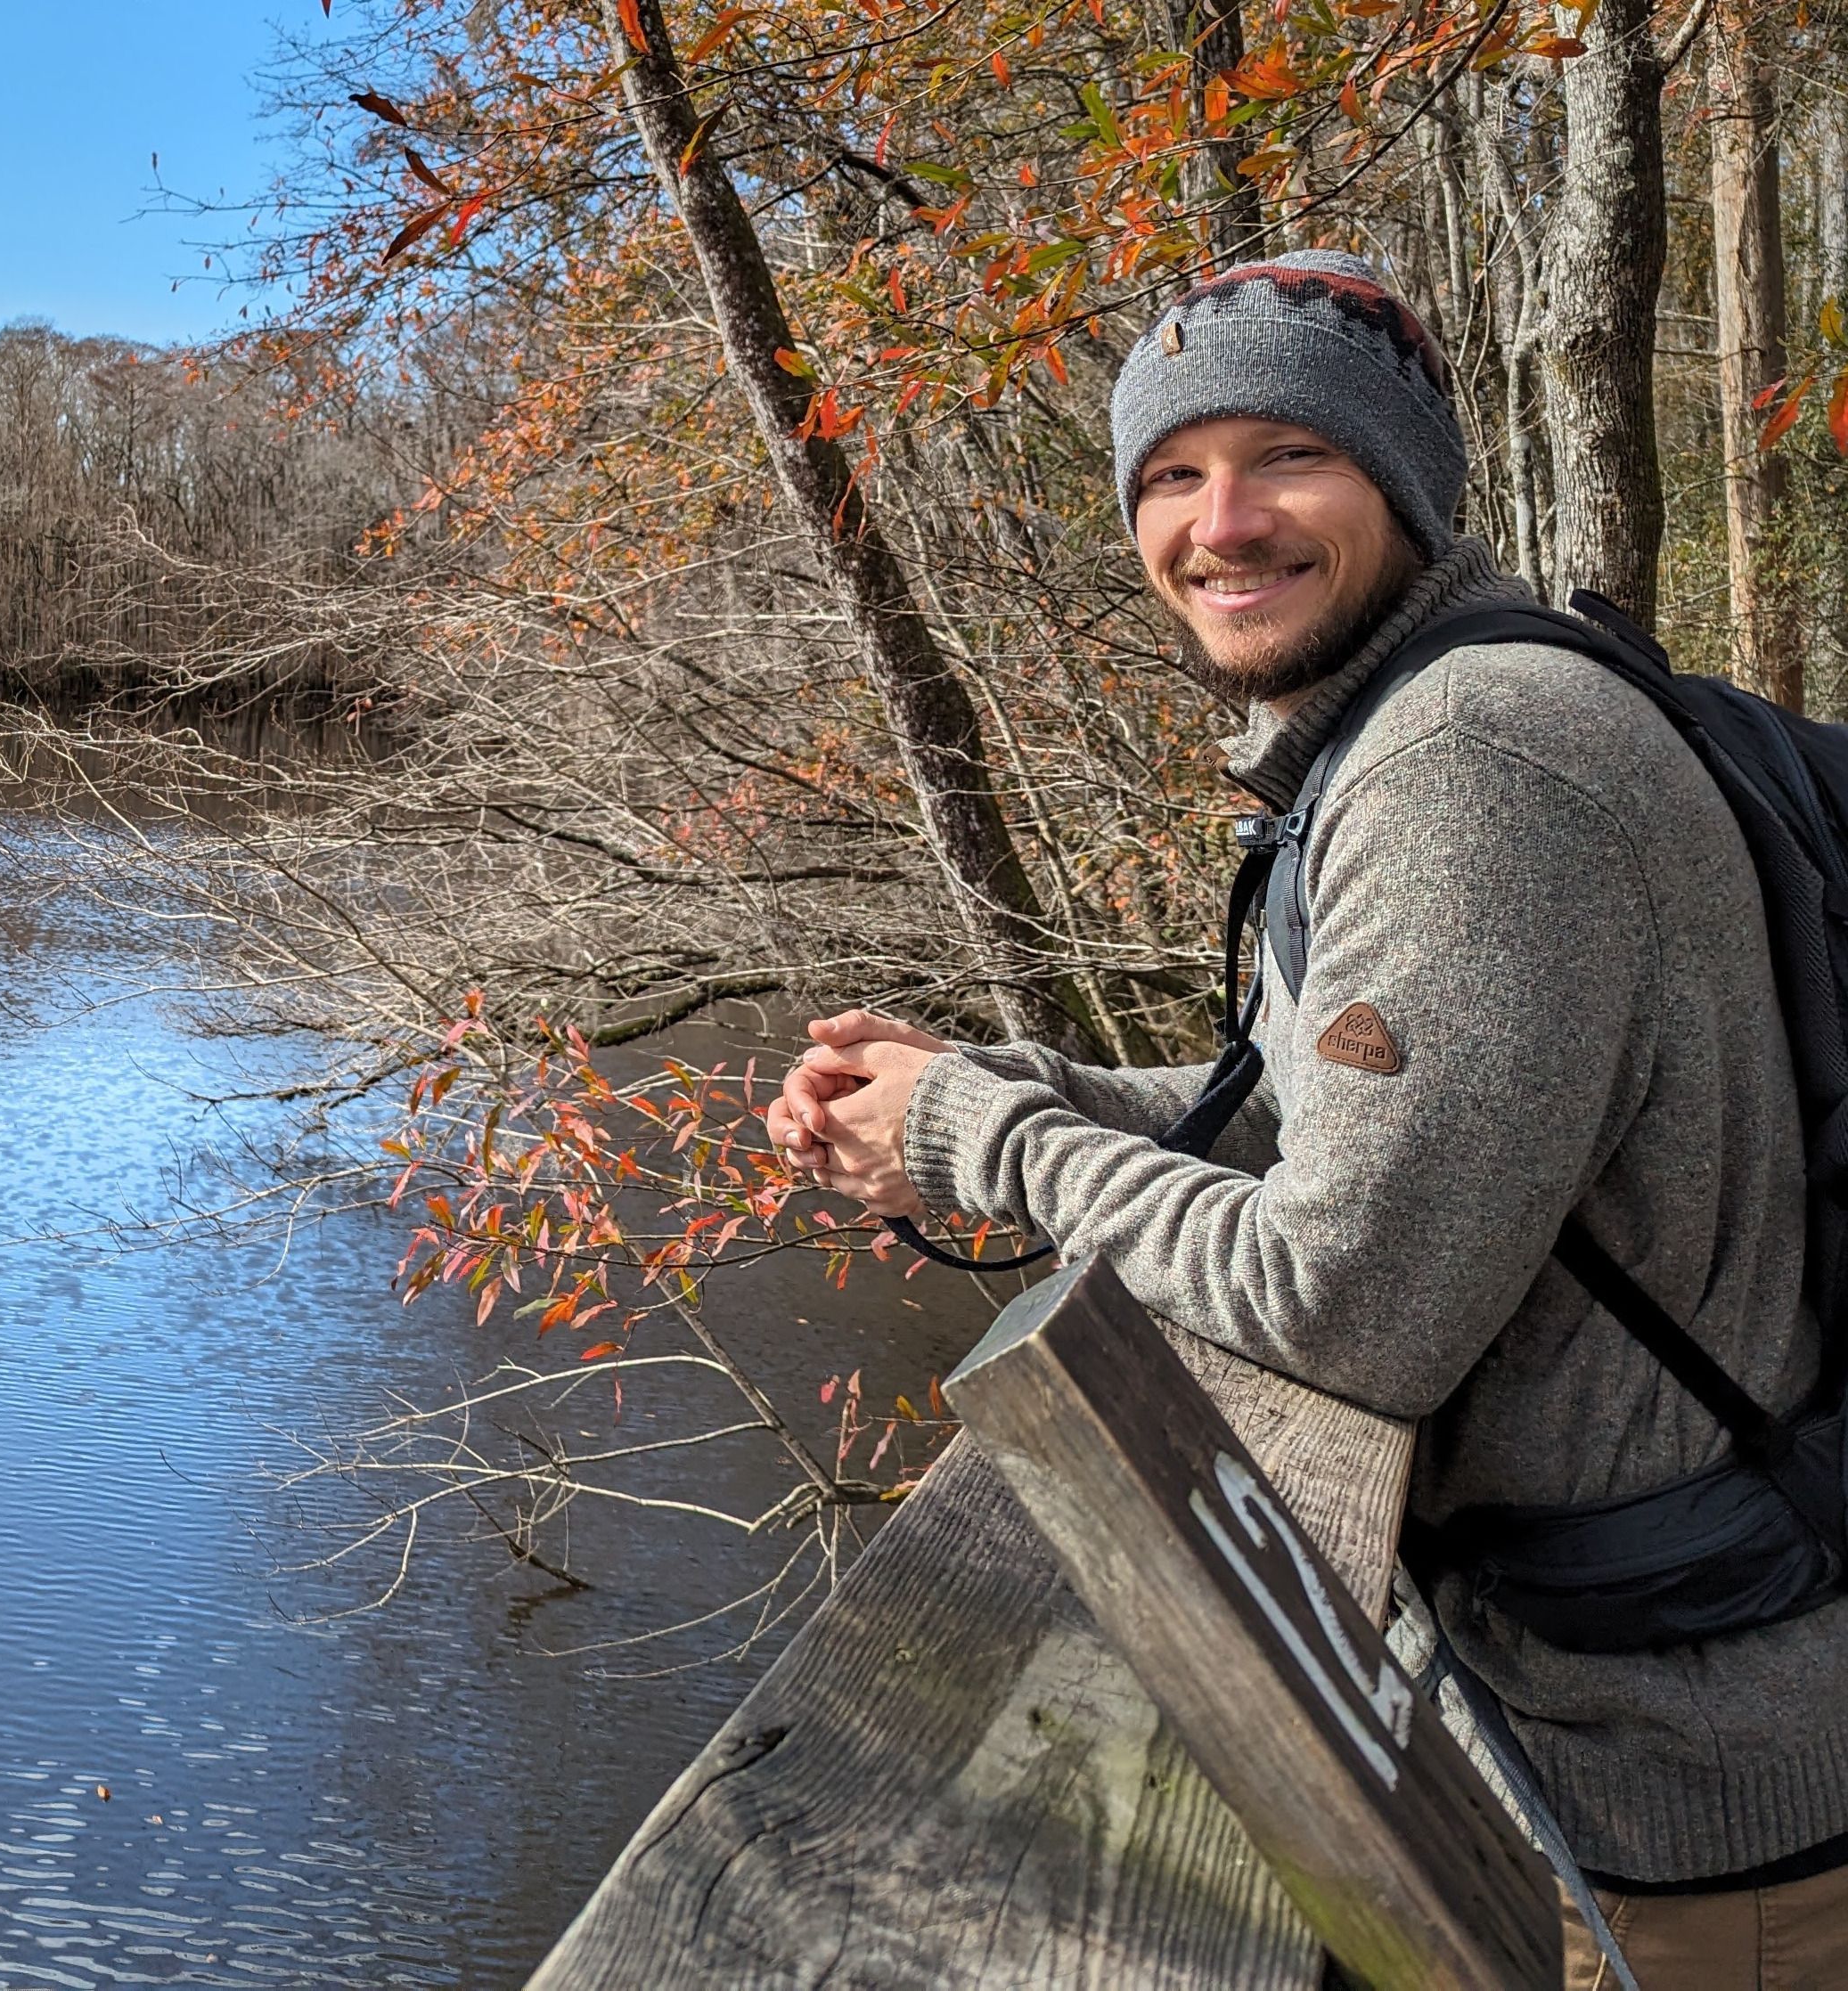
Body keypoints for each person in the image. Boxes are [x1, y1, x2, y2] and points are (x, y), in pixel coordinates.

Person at [765, 249, 1848, 1988]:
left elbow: (1349, 1301)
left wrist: (977, 1132)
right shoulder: (1420, 732)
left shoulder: (1477, 767)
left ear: (1407, 488)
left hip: (1702, 1806)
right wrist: (999, 1086)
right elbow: (1311, 1130)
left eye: (1292, 456)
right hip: (1633, 1741)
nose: (1224, 519)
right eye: (1172, 474)